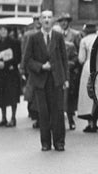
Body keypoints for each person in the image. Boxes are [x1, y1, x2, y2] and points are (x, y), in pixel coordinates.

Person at [22, 10, 69, 151]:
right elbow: (27, 61)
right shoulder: (34, 38)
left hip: (56, 80)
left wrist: (66, 79)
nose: (47, 20)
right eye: (44, 18)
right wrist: (41, 66)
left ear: (53, 20)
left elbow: (64, 59)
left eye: (49, 17)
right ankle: (45, 143)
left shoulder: (58, 36)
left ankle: (59, 142)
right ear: (40, 21)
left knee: (58, 112)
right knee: (43, 113)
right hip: (41, 81)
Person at [55, 13, 82, 130]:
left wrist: (71, 65)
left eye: (65, 21)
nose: (63, 23)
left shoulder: (75, 34)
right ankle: (58, 121)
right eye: (61, 21)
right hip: (57, 70)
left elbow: (78, 53)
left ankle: (71, 119)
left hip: (70, 70)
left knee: (70, 96)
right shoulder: (55, 35)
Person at [0, 26, 22, 127]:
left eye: (5, 30)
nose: (3, 32)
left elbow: (18, 57)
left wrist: (5, 64)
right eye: (1, 30)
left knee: (12, 95)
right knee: (1, 95)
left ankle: (13, 118)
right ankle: (3, 117)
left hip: (11, 73)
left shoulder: (14, 42)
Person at [77, 24, 98, 132]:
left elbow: (81, 58)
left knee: (87, 96)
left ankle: (90, 123)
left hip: (88, 66)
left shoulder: (84, 40)